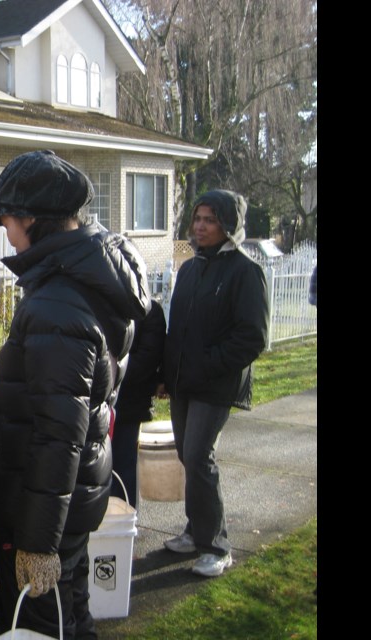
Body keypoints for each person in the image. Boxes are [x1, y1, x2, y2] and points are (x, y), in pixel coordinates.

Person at [0, 150, 150, 639]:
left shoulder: (58, 301)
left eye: (7, 221)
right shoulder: (81, 277)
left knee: (43, 625)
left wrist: (37, 543)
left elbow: (58, 435)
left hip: (44, 512)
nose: (5, 234)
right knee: (71, 613)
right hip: (68, 504)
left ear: (31, 219)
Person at [161, 189, 269, 577]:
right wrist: (166, 374)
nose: (200, 226)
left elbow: (252, 337)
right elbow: (177, 328)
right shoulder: (190, 267)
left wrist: (207, 365)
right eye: (198, 218)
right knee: (188, 458)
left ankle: (217, 545)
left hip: (216, 384)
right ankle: (196, 530)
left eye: (210, 219)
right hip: (184, 382)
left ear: (229, 225)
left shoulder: (245, 271)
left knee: (199, 458)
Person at [111, 301, 166, 508]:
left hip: (130, 404)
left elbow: (146, 360)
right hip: (101, 402)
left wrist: (110, 370)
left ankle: (124, 518)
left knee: (124, 466)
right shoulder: (106, 303)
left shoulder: (150, 312)